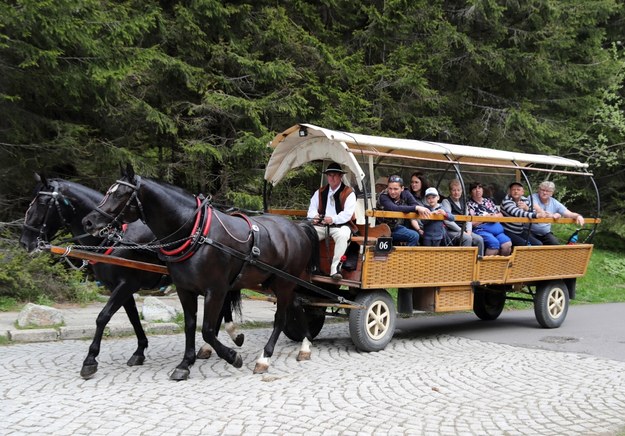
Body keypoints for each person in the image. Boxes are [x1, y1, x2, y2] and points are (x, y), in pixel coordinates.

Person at [307, 162, 357, 280]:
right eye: (329, 175)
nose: (332, 178)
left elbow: (347, 214)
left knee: (342, 235)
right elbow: (311, 209)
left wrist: (333, 219)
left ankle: (335, 270)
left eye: (335, 175)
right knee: (307, 233)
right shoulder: (320, 192)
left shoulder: (349, 193)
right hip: (322, 225)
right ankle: (310, 265)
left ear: (340, 176)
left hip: (341, 225)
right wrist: (315, 216)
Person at [377, 175, 431, 246]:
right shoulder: (383, 196)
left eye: (396, 189)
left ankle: (407, 255)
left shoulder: (406, 193)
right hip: (382, 229)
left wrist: (419, 208)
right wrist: (416, 208)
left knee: (428, 234)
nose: (392, 192)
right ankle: (407, 255)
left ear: (402, 188)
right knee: (414, 235)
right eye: (390, 188)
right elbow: (394, 208)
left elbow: (414, 204)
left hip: (397, 226)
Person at [530, 181, 585, 245]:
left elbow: (569, 213)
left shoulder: (554, 202)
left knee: (555, 244)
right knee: (537, 245)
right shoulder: (532, 197)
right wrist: (553, 215)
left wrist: (578, 216)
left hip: (545, 233)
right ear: (539, 190)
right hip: (530, 232)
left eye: (547, 191)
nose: (544, 193)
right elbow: (539, 211)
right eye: (543, 190)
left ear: (552, 193)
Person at [441, 179, 484, 256]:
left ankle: (478, 262)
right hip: (452, 231)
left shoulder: (463, 201)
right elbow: (448, 221)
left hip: (464, 230)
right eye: (454, 190)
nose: (456, 192)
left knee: (479, 239)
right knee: (467, 238)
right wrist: (462, 231)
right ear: (450, 191)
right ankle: (465, 263)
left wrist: (469, 231)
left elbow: (468, 218)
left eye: (458, 190)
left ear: (461, 191)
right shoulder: (446, 201)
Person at [467, 182, 512, 256]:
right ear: (471, 192)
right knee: (494, 243)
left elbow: (500, 215)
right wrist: (485, 218)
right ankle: (486, 266)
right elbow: (471, 223)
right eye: (475, 188)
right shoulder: (469, 204)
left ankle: (501, 266)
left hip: (497, 229)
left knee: (507, 244)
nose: (478, 190)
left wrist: (494, 217)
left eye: (479, 188)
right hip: (481, 230)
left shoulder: (488, 201)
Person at [501, 182, 547, 246]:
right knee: (524, 245)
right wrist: (536, 215)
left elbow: (534, 210)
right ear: (510, 191)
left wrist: (526, 208)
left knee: (538, 244)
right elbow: (517, 213)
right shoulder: (506, 201)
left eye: (518, 190)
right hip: (507, 231)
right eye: (513, 190)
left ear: (522, 192)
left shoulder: (525, 200)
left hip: (520, 231)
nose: (516, 191)